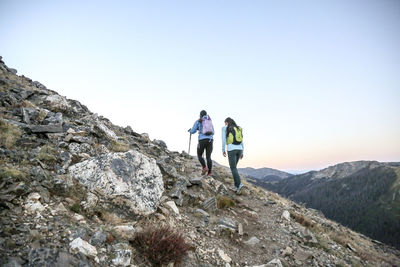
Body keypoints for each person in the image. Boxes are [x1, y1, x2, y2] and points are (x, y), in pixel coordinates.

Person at [222, 117, 244, 194]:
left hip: (232, 149)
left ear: (227, 122)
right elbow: (242, 141)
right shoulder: (238, 128)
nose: (225, 124)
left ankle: (239, 184)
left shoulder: (225, 128)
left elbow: (224, 139)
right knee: (234, 168)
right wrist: (242, 152)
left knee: (233, 168)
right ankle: (236, 186)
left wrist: (223, 150)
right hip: (240, 149)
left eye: (225, 123)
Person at [188, 110, 214, 176]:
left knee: (199, 155)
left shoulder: (198, 121)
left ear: (200, 115)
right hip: (210, 140)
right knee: (208, 157)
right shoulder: (209, 121)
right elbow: (213, 132)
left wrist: (190, 131)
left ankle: (204, 167)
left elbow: (193, 131)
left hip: (202, 140)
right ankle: (209, 173)